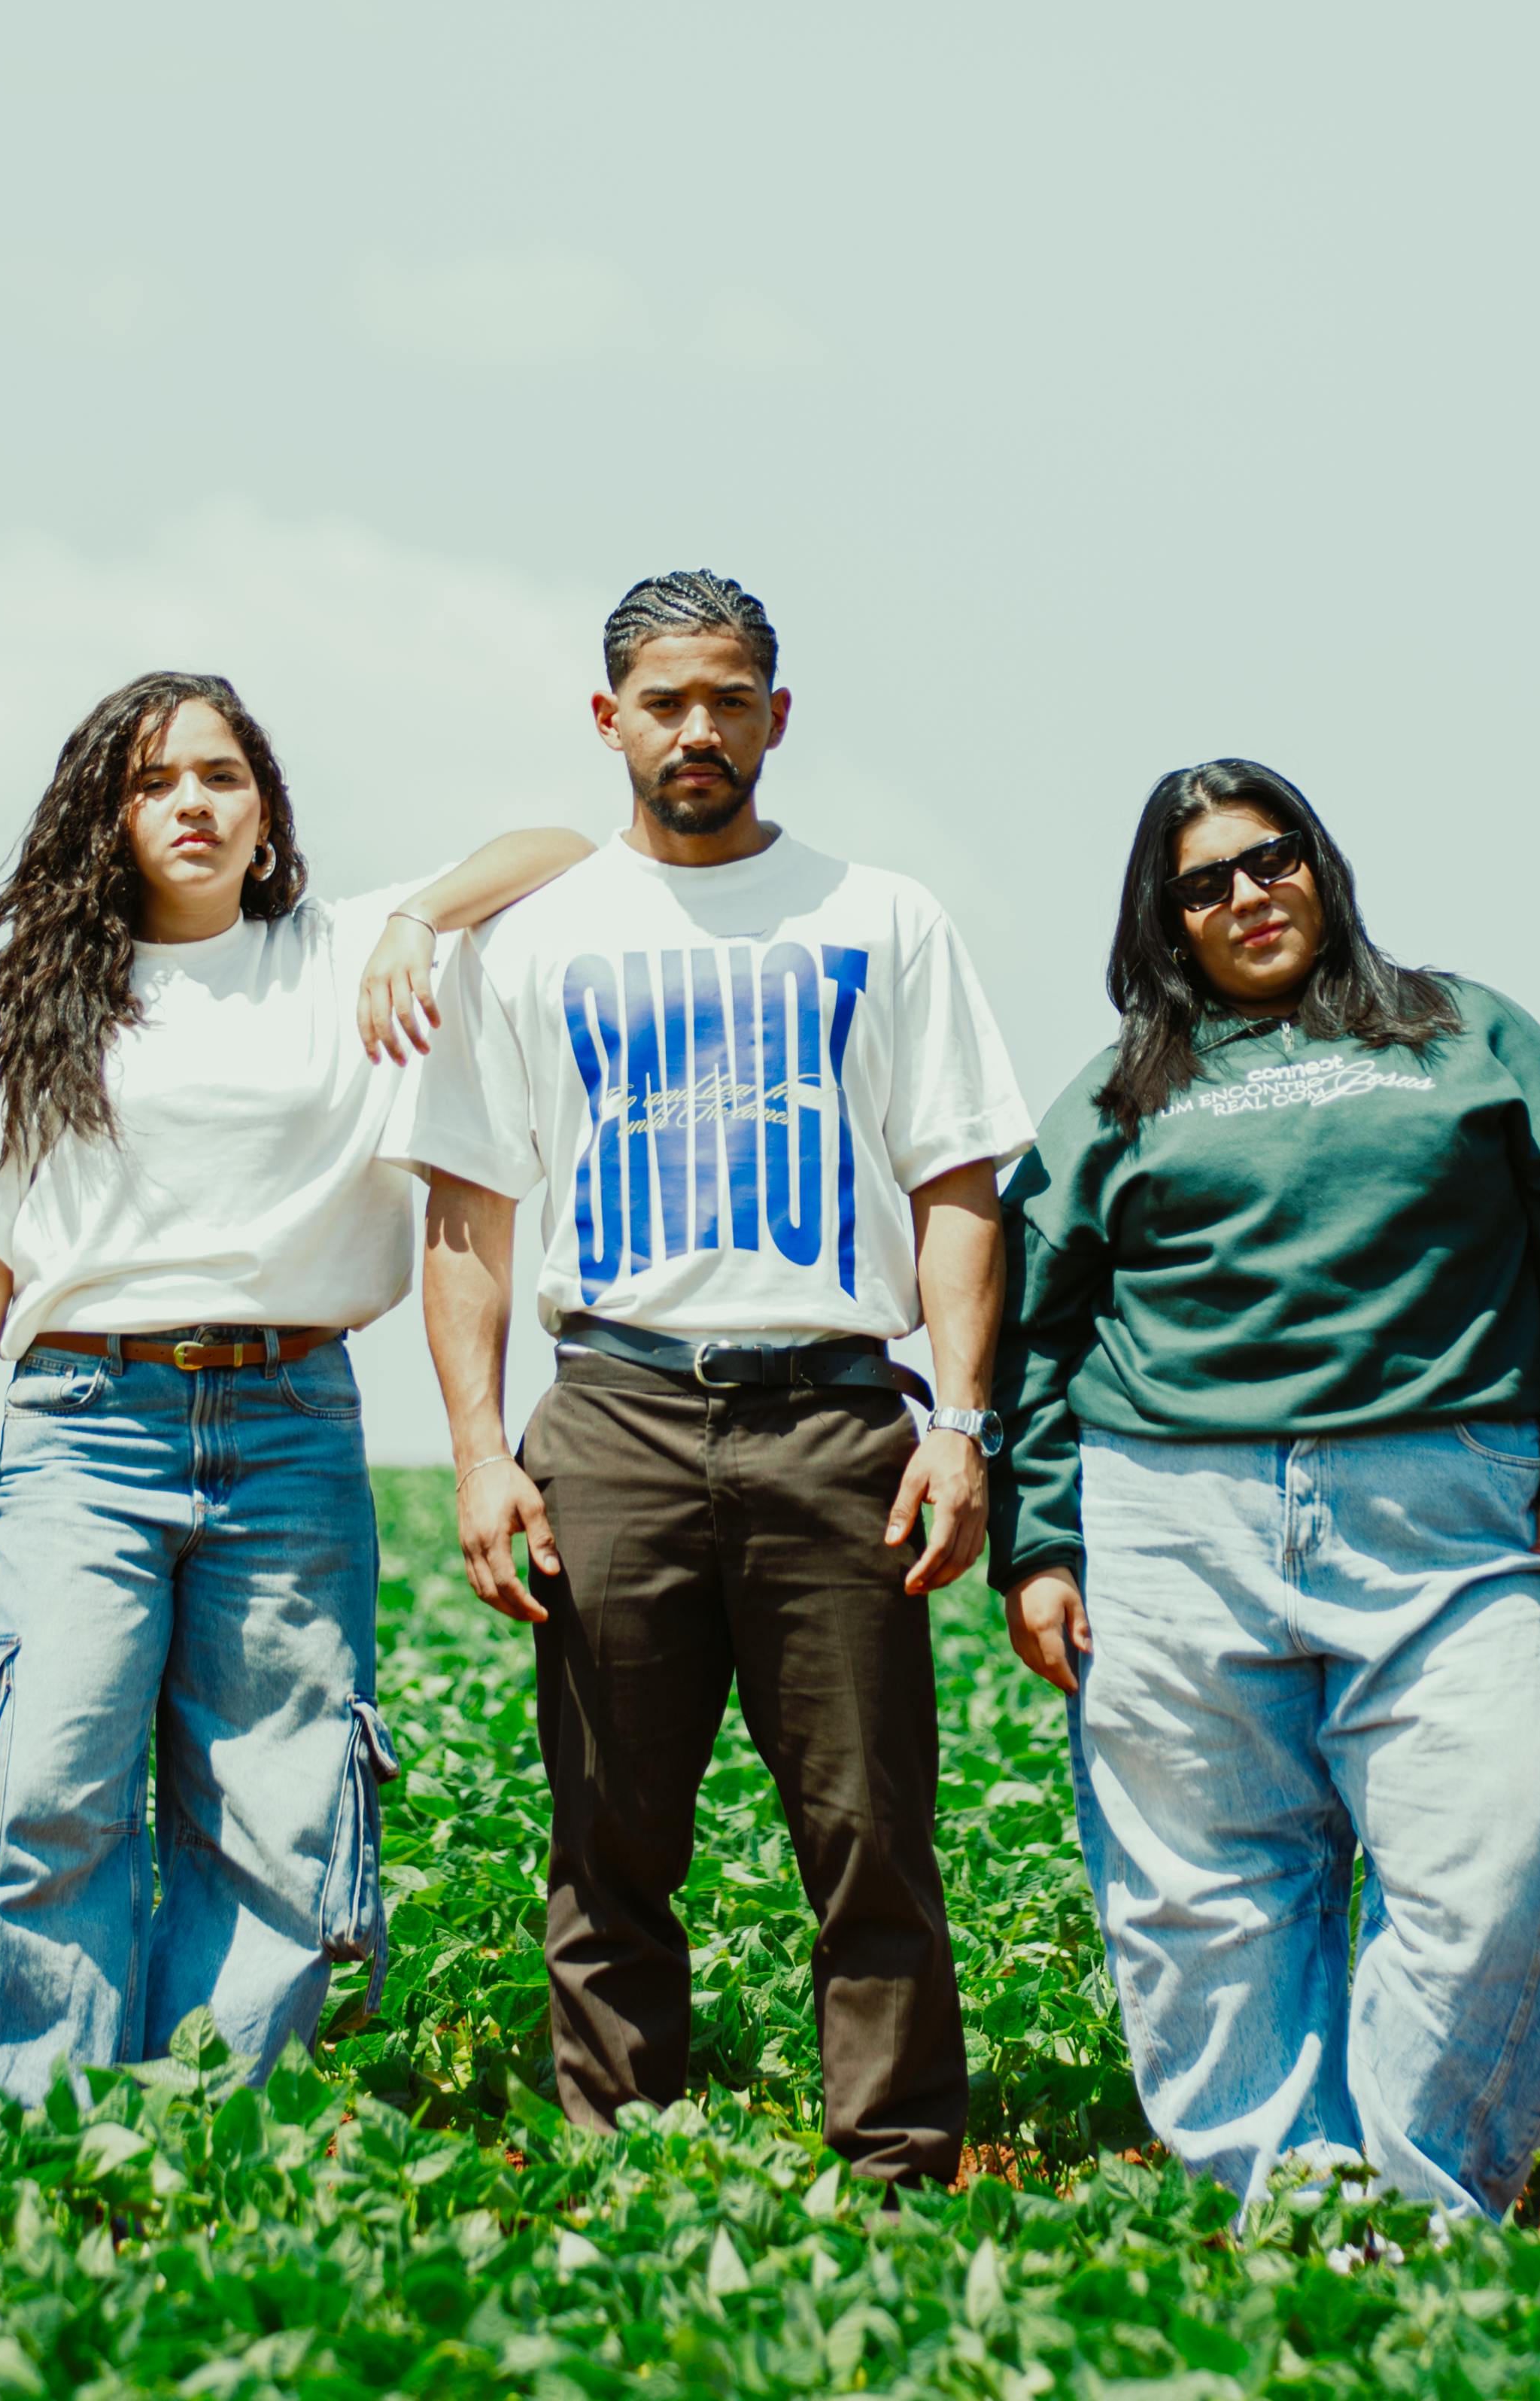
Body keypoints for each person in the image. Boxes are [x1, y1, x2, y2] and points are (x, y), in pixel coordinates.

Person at [393, 570, 1031, 2188]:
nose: (698, 728)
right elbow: (466, 1216)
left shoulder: (880, 918)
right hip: (609, 1413)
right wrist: (480, 1451)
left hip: (834, 1416)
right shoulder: (533, 941)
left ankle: (894, 2178)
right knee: (607, 1834)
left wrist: (958, 1425)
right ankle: (621, 2173)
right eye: (664, 700)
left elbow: (959, 1185)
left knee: (871, 1832)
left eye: (728, 697)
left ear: (776, 716)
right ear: (606, 720)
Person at [0, 667, 589, 2096]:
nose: (189, 804)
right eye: (152, 783)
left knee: (274, 1796)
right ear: (110, 819)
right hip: (83, 1423)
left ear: (265, 814)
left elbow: (564, 850)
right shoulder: (39, 999)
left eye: (219, 776)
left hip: (289, 1421)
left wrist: (417, 915)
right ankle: (39, 2126)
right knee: (47, 1782)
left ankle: (213, 2126)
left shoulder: (336, 954)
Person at [992, 761, 1540, 2216]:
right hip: (1170, 1517)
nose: (1249, 893)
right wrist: (1036, 1540)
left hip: (1447, 1501)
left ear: (1322, 864)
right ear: (1165, 923)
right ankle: (1282, 2210)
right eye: (1206, 881)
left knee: (1497, 1854)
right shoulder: (1120, 1091)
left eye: (1273, 856)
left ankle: (1422, 2203)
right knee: (1203, 1899)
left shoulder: (1466, 1032)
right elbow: (1032, 1323)